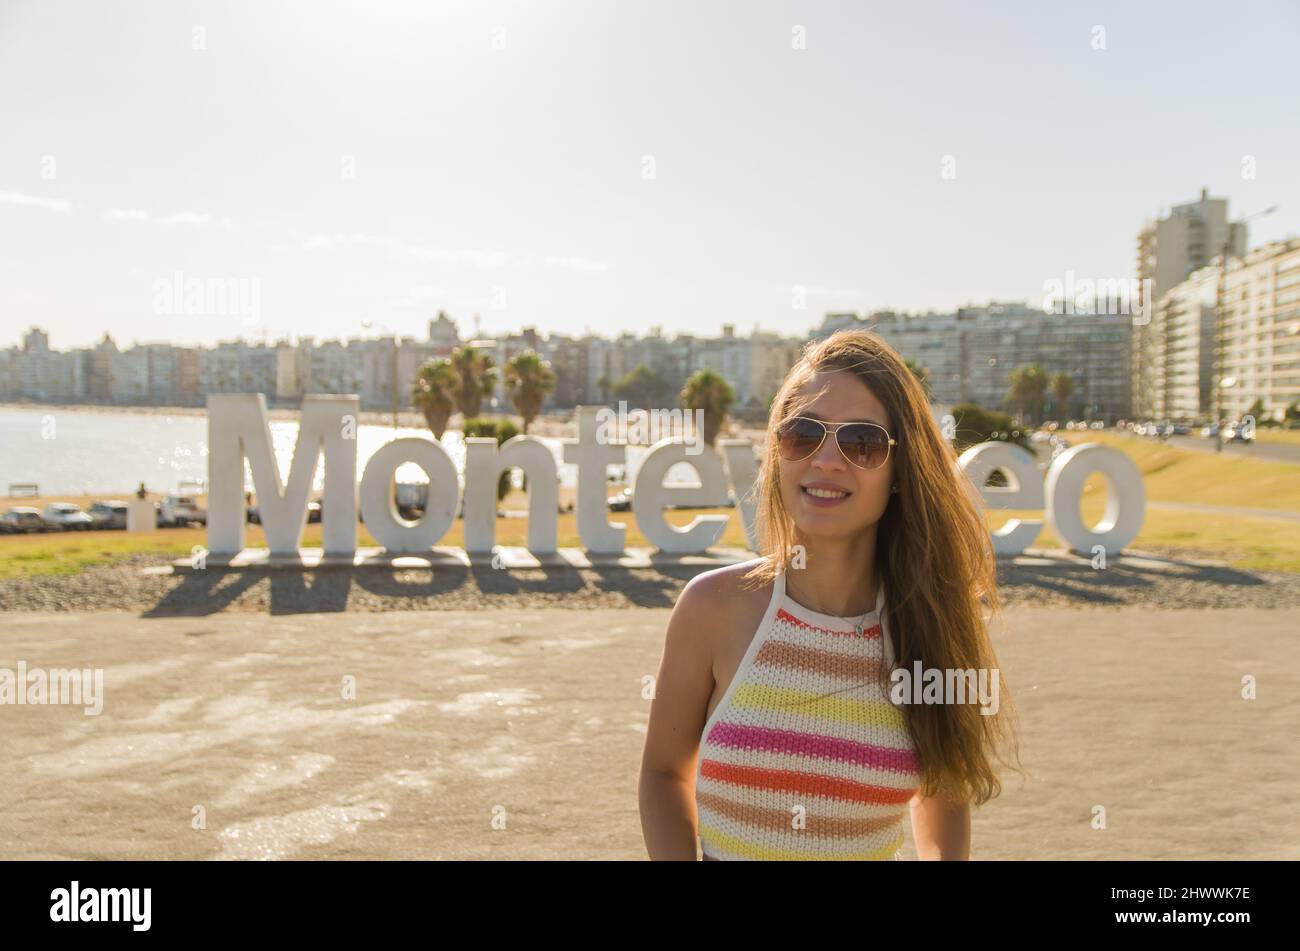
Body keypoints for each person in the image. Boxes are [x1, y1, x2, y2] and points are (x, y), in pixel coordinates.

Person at [638, 329, 1022, 860]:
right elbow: (662, 774)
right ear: (777, 452)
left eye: (861, 442)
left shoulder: (931, 622)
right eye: (803, 434)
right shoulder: (712, 608)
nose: (826, 460)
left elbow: (943, 797)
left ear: (899, 471)